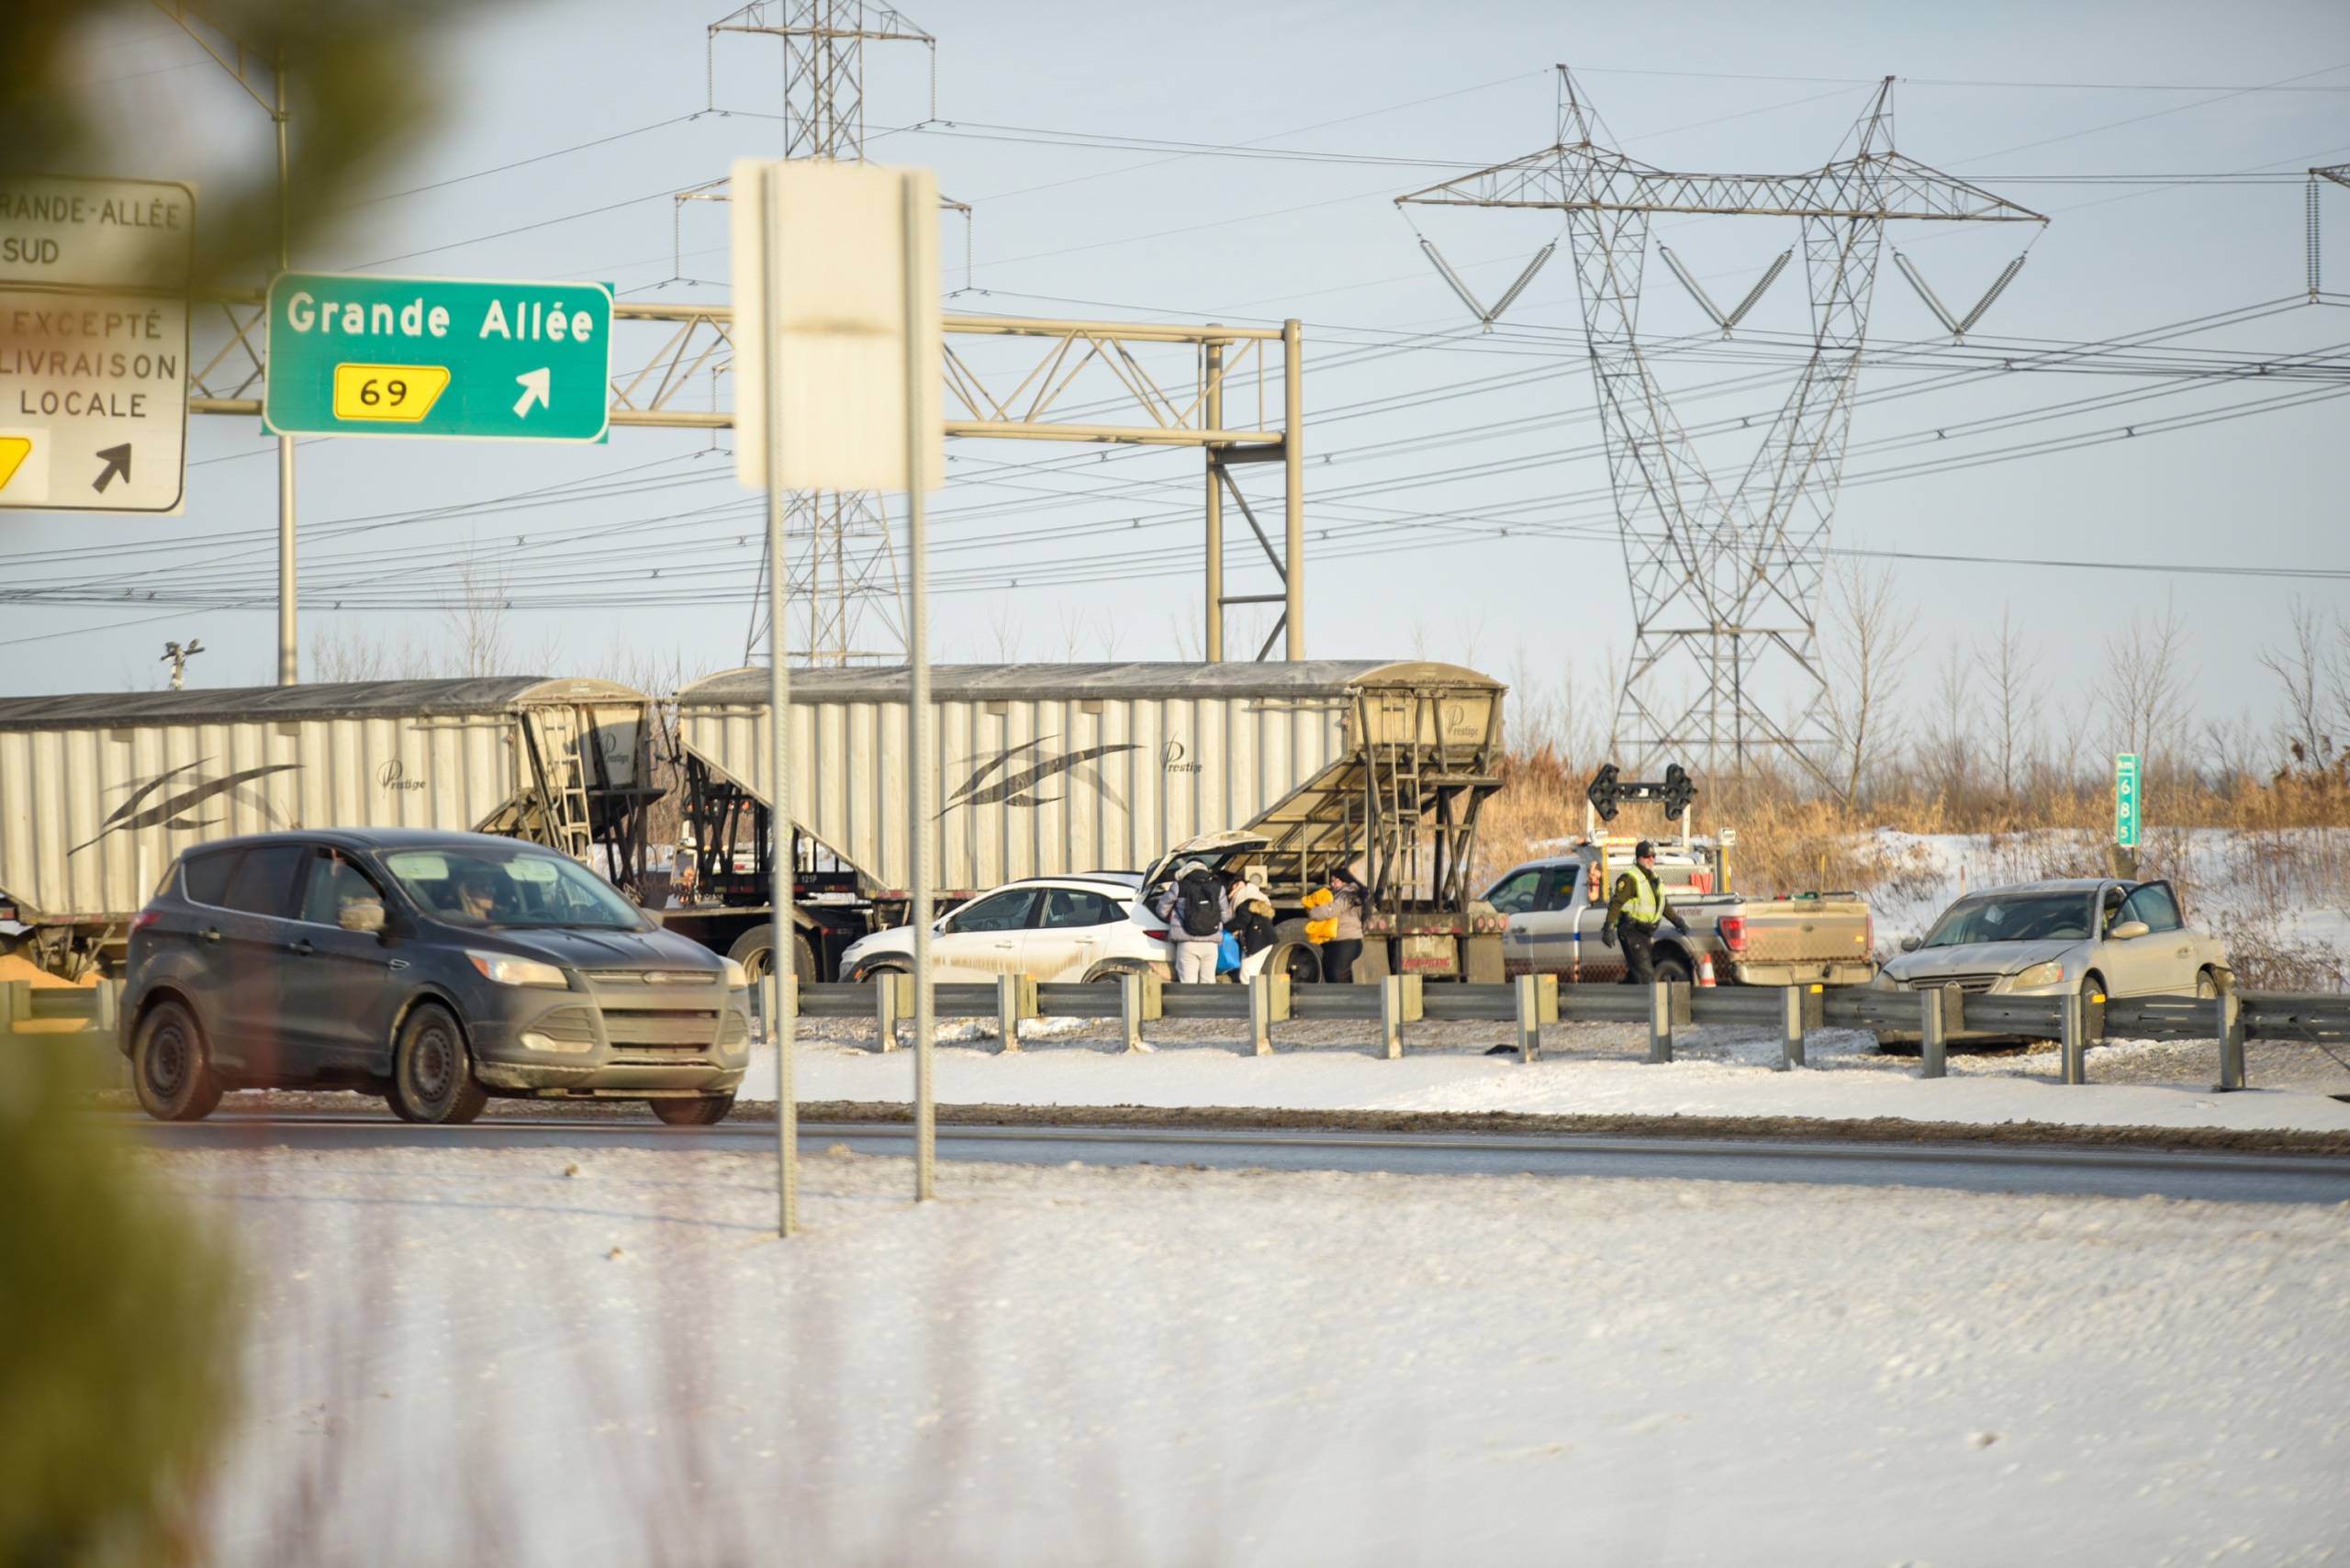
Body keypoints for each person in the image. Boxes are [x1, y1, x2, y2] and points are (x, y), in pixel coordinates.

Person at [1598, 840, 1689, 985]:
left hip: (1645, 933)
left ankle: (1627, 996)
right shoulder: (1630, 878)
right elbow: (1617, 903)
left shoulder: (1655, 879)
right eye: (1647, 856)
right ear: (1638, 858)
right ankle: (1650, 999)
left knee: (1637, 975)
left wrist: (1678, 922)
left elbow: (1663, 905)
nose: (1651, 859)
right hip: (1631, 931)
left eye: (1653, 856)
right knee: (1647, 975)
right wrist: (1609, 927)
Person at [1152, 858, 1230, 983]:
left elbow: (1161, 910)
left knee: (1188, 983)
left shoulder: (1179, 886)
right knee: (1209, 982)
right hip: (1211, 943)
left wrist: (1173, 916)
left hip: (1187, 942)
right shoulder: (1218, 888)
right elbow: (1226, 917)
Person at [1321, 865, 1367, 983]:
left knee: (1337, 976)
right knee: (1333, 975)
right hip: (1340, 940)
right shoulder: (1341, 894)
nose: (1333, 884)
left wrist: (1313, 912)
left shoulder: (1347, 894)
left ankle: (1345, 995)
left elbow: (1334, 910)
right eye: (1331, 881)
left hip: (1346, 940)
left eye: (1335, 881)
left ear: (1344, 881)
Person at [1223, 866, 1277, 957]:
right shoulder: (1249, 892)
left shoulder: (1243, 896)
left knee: (1248, 966)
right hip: (1261, 938)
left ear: (1233, 885)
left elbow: (1242, 919)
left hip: (1256, 942)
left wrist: (1224, 928)